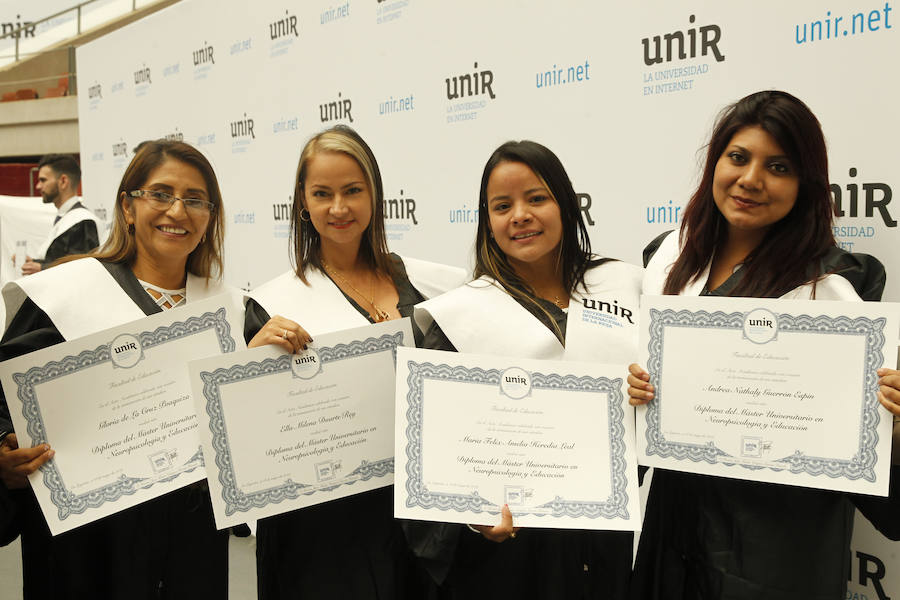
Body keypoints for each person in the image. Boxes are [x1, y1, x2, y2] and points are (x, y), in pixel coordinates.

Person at [626, 90, 900, 600]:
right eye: (738, 157)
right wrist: (633, 392)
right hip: (675, 528)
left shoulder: (835, 290)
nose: (751, 179)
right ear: (715, 164)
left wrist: (892, 420)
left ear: (806, 186)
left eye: (778, 166)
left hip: (779, 543)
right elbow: (637, 421)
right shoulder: (669, 260)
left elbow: (870, 454)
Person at [408, 140, 639, 600]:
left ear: (566, 204)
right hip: (508, 553)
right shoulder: (459, 319)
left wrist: (645, 393)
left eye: (537, 198)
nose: (520, 215)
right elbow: (431, 451)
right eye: (502, 206)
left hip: (600, 539)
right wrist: (470, 516)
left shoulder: (622, 291)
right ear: (487, 221)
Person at [0, 140, 231, 599]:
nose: (177, 211)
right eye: (160, 194)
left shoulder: (230, 311)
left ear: (210, 217)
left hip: (192, 544)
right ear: (128, 206)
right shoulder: (64, 295)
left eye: (195, 200)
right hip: (88, 547)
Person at [244, 124, 465, 600]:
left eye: (352, 191)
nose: (338, 208)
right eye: (322, 193)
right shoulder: (270, 306)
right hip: (322, 532)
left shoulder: (427, 284)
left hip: (418, 521)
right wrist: (249, 367)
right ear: (302, 202)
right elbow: (254, 435)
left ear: (375, 196)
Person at [20, 155, 101, 274]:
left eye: (43, 180)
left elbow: (81, 268)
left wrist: (42, 268)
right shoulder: (68, 218)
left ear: (63, 181)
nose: (38, 186)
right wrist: (34, 263)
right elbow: (60, 259)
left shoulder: (82, 220)